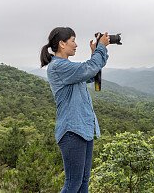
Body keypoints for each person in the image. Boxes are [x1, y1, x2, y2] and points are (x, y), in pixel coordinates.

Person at [40, 27, 110, 192]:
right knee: (73, 184)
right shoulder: (58, 67)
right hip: (72, 131)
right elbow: (89, 68)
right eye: (73, 41)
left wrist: (97, 54)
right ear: (62, 44)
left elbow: (94, 75)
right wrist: (101, 48)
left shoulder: (68, 67)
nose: (76, 45)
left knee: (83, 182)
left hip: (84, 128)